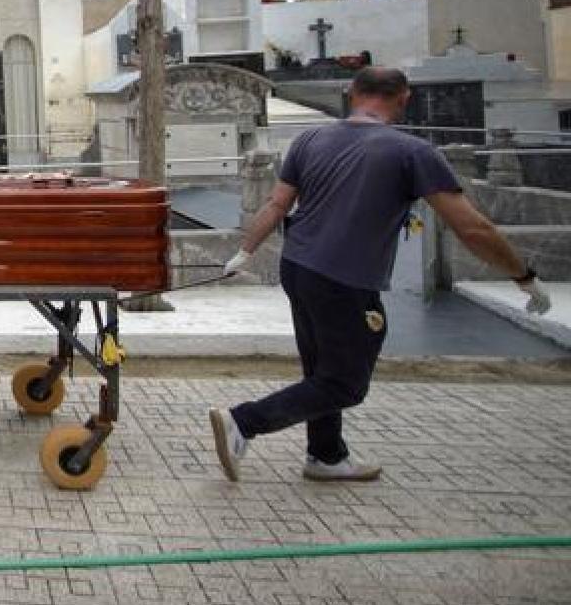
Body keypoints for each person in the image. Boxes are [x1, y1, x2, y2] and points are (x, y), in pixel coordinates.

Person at [211, 67, 551, 483]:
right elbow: (472, 228)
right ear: (403, 98)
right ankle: (244, 422)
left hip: (298, 268)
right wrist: (523, 274)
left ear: (351, 93)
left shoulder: (311, 139)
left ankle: (326, 456)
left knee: (322, 370)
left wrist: (245, 252)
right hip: (344, 279)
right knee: (345, 384)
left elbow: (275, 204)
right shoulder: (413, 152)